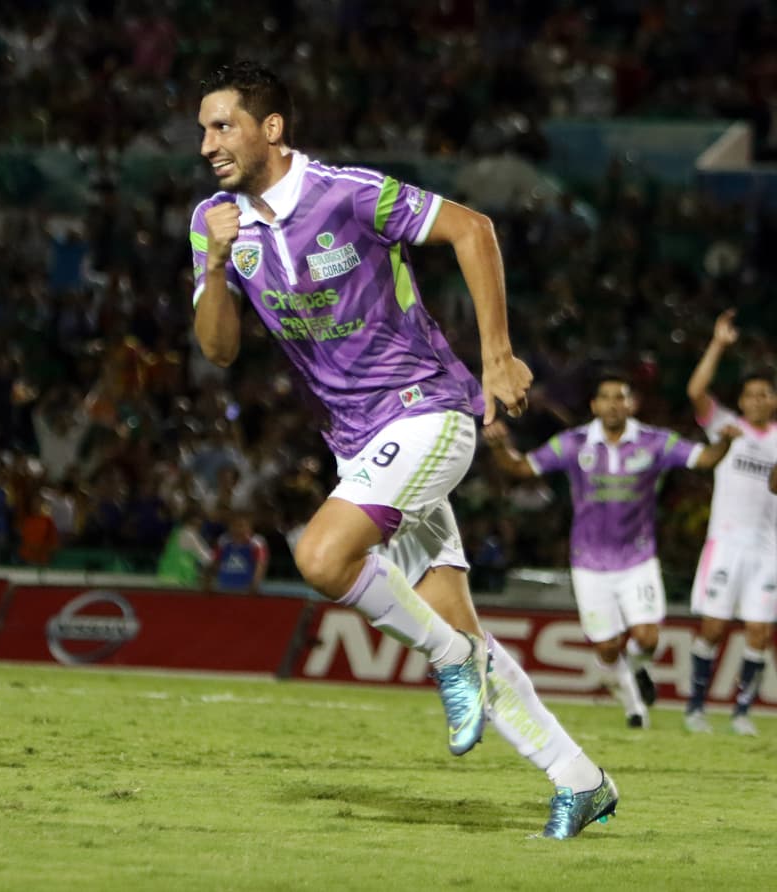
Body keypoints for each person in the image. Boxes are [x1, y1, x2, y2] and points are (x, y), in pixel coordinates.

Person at [190, 60, 610, 839]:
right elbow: (217, 349)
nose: (209, 142)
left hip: (428, 413)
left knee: (321, 558)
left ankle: (449, 659)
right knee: (463, 629)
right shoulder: (213, 222)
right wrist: (215, 264)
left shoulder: (347, 193)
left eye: (224, 125)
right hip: (358, 443)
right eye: (204, 129)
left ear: (271, 130)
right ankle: (579, 779)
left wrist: (496, 355)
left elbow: (472, 229)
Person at [484, 371, 736, 729]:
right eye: (606, 398)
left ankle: (631, 674)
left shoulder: (654, 442)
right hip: (588, 562)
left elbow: (705, 459)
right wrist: (498, 446)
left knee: (647, 639)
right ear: (594, 405)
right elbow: (521, 467)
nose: (614, 404)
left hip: (638, 558)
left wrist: (725, 442)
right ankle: (636, 709)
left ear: (632, 404)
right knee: (606, 648)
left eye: (621, 397)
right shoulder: (574, 443)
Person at [683, 310, 777, 735]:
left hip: (767, 548)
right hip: (725, 543)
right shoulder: (726, 427)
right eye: (751, 395)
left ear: (774, 400)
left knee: (759, 632)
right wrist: (719, 344)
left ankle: (741, 712)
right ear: (741, 401)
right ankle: (696, 707)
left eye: (765, 394)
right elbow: (696, 390)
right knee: (714, 627)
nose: (757, 400)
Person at [206, 512, 269, 592]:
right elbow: (215, 562)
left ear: (249, 527)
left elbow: (260, 565)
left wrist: (255, 583)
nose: (237, 529)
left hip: (246, 588)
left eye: (241, 526)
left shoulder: (257, 543)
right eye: (234, 525)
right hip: (224, 587)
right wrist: (209, 581)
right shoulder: (223, 541)